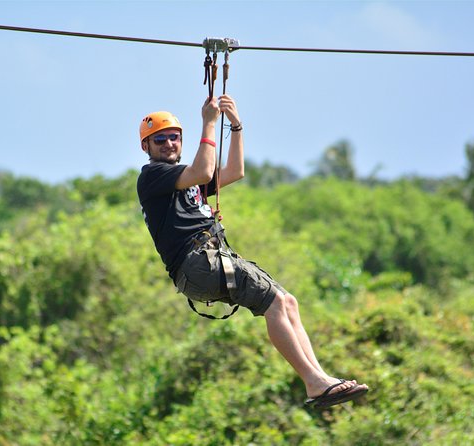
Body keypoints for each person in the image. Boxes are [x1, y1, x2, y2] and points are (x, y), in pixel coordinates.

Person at [136, 95, 368, 408]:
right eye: (159, 140)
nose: (168, 144)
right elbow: (204, 171)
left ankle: (320, 377)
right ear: (146, 148)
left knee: (287, 302)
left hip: (206, 261)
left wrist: (236, 126)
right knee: (272, 303)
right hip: (196, 263)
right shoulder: (153, 176)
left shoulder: (183, 179)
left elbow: (234, 171)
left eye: (173, 137)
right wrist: (209, 121)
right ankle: (314, 383)